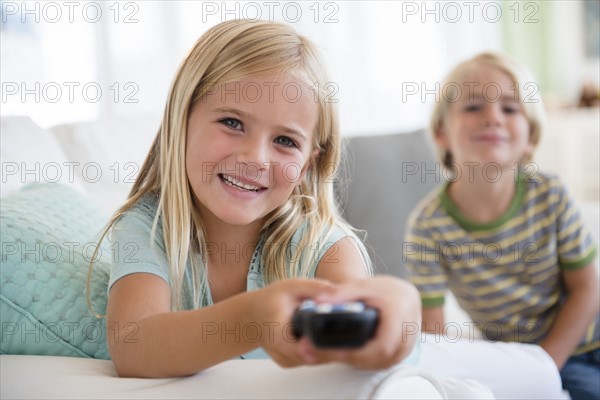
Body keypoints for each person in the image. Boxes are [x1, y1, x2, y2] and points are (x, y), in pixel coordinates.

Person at [88, 19, 421, 379]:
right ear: (180, 121)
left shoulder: (322, 246)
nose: (255, 158)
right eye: (232, 122)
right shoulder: (148, 228)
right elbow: (134, 347)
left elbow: (367, 321)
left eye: (285, 141)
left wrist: (399, 308)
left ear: (309, 163)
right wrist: (252, 318)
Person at [405, 52, 599, 399]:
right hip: (515, 358)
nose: (492, 117)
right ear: (441, 132)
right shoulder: (428, 226)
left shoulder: (550, 196)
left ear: (530, 137)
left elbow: (588, 289)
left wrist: (545, 365)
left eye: (510, 109)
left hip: (581, 341)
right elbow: (433, 337)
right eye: (473, 106)